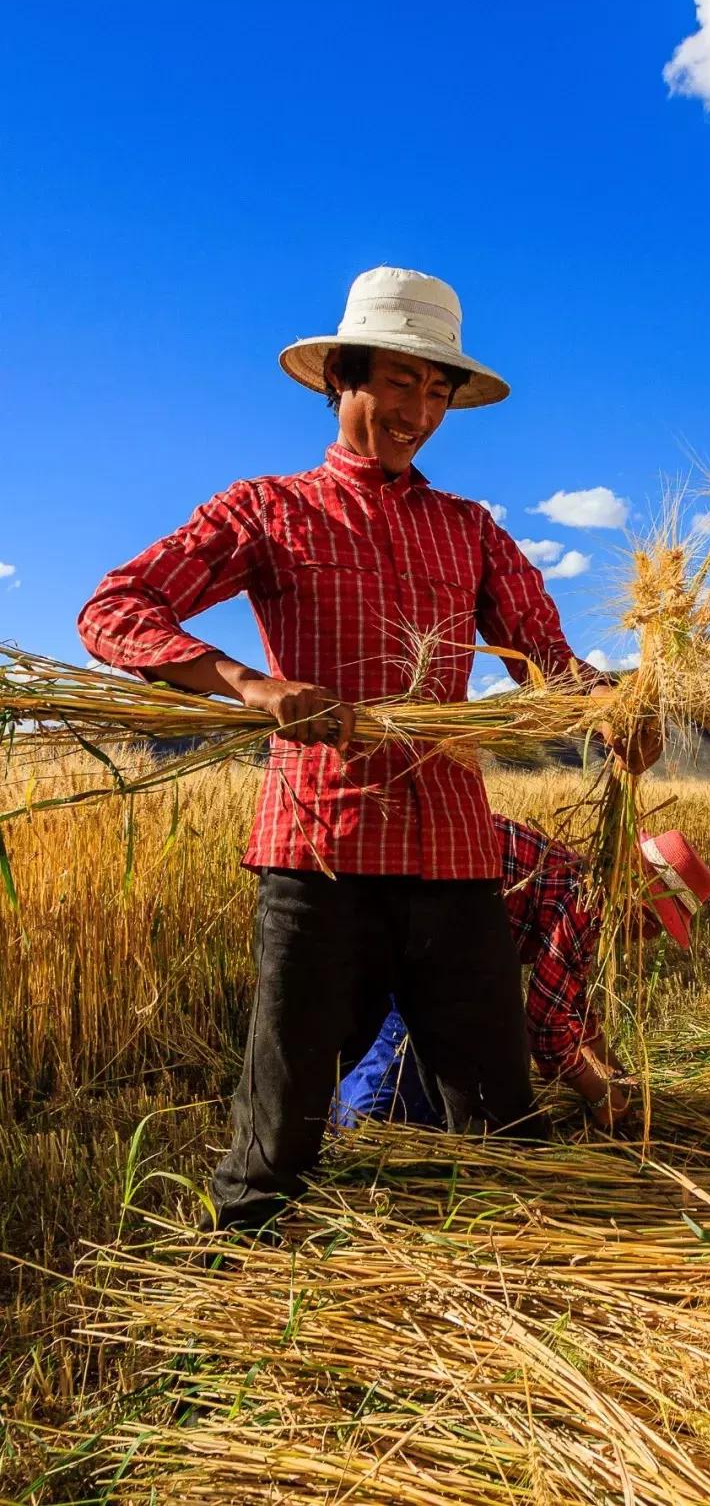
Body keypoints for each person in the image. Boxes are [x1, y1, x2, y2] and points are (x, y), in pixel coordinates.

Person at [76, 266, 662, 1236]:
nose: (421, 411)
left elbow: (547, 663)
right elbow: (114, 610)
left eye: (439, 392)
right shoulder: (268, 512)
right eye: (402, 382)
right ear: (342, 378)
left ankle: (512, 1299)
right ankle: (244, 1295)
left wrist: (610, 706)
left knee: (498, 1119)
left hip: (451, 859)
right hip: (319, 851)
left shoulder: (469, 532)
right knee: (279, 1133)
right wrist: (253, 687)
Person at [333, 814, 710, 1131]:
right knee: (399, 1066)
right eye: (657, 923)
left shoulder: (585, 886)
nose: (650, 937)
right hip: (427, 914)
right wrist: (601, 1098)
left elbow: (570, 1000)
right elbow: (545, 1026)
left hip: (422, 902)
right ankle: (353, 1133)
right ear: (639, 900)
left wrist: (616, 1073)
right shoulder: (588, 905)